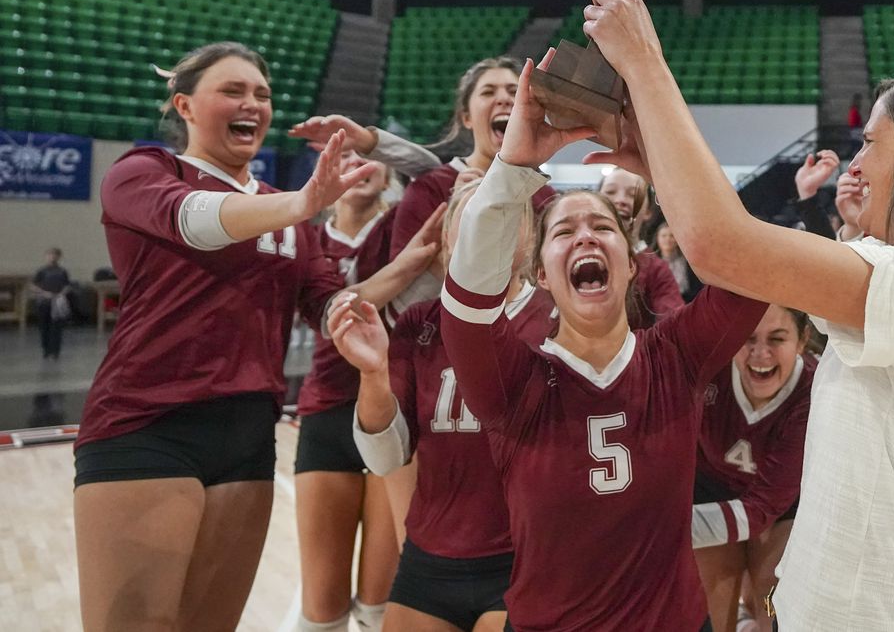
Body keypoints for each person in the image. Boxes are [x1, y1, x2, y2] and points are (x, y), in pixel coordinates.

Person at [581, 0, 894, 631]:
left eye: (870, 142)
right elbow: (742, 249)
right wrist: (661, 166)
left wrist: (645, 59)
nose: (852, 165)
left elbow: (722, 245)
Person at [72, 42, 438, 632]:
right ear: (184, 106)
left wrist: (409, 267)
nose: (253, 104)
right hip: (145, 424)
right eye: (234, 91)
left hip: (246, 433)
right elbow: (194, 221)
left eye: (262, 95)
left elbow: (329, 307)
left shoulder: (285, 212)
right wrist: (303, 203)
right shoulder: (143, 172)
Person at [419, 51, 769, 631]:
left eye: (602, 226)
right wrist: (512, 167)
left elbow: (750, 264)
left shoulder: (674, 358)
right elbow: (466, 302)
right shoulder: (515, 382)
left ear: (633, 266)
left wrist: (663, 165)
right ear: (539, 273)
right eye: (564, 230)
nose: (585, 235)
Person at [336, 181, 557, 632]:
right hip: (429, 563)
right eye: (474, 213)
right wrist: (373, 375)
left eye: (505, 210)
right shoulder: (419, 323)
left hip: (528, 561)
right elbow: (384, 458)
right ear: (448, 241)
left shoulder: (560, 318)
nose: (489, 221)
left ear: (531, 237)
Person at [291, 148, 446, 632]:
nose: (359, 165)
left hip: (391, 413)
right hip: (325, 413)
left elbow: (440, 171)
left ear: (388, 174)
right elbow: (329, 315)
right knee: (321, 604)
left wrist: (376, 140)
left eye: (368, 159)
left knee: (380, 601)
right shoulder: (306, 238)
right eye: (346, 158)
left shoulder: (402, 221)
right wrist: (405, 269)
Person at [692, 305, 814, 632]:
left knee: (774, 587)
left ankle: (759, 618)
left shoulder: (816, 390)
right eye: (748, 339)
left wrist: (671, 529)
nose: (761, 354)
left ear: (803, 340)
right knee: (714, 586)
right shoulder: (708, 369)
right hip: (711, 489)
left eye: (777, 339)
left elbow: (766, 506)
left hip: (783, 504)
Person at [390, 57, 557, 265]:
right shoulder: (430, 188)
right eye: (488, 92)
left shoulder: (545, 196)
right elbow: (399, 279)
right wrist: (455, 217)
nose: (503, 99)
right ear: (466, 118)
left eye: (514, 92)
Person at [600, 166, 685, 325]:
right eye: (610, 192)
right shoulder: (570, 252)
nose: (620, 200)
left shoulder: (657, 270)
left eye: (633, 195)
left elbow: (673, 326)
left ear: (647, 211)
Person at [30, 247, 71, 360]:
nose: (52, 257)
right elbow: (33, 286)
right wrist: (43, 293)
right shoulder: (41, 271)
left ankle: (55, 351)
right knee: (44, 327)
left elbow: (67, 285)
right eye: (49, 254)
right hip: (44, 301)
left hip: (57, 302)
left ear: (58, 257)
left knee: (57, 327)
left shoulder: (62, 271)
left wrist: (61, 293)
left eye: (54, 255)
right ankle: (46, 350)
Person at [655, 222, 702, 302]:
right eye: (663, 236)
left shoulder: (688, 261)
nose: (667, 239)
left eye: (672, 236)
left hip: (686, 302)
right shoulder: (651, 263)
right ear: (657, 238)